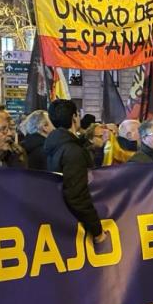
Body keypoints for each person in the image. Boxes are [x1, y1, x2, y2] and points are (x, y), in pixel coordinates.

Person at [45, 99, 106, 242]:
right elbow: (76, 194)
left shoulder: (55, 146)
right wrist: (97, 230)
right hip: (76, 225)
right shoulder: (72, 151)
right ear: (74, 117)